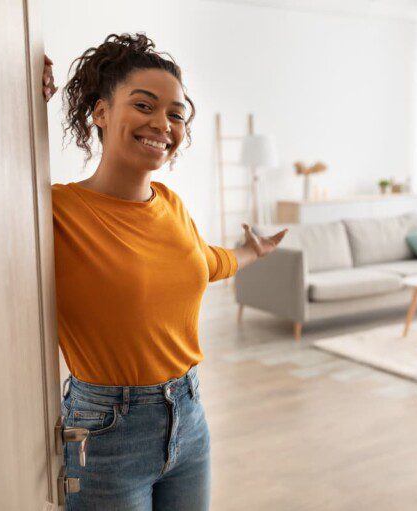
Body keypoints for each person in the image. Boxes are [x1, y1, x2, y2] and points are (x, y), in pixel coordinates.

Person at [43, 33, 287, 511]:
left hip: (189, 417)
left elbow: (203, 263)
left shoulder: (171, 206)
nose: (163, 124)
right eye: (144, 105)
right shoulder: (56, 210)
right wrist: (8, 96)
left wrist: (250, 252)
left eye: (176, 114)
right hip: (105, 432)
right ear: (101, 112)